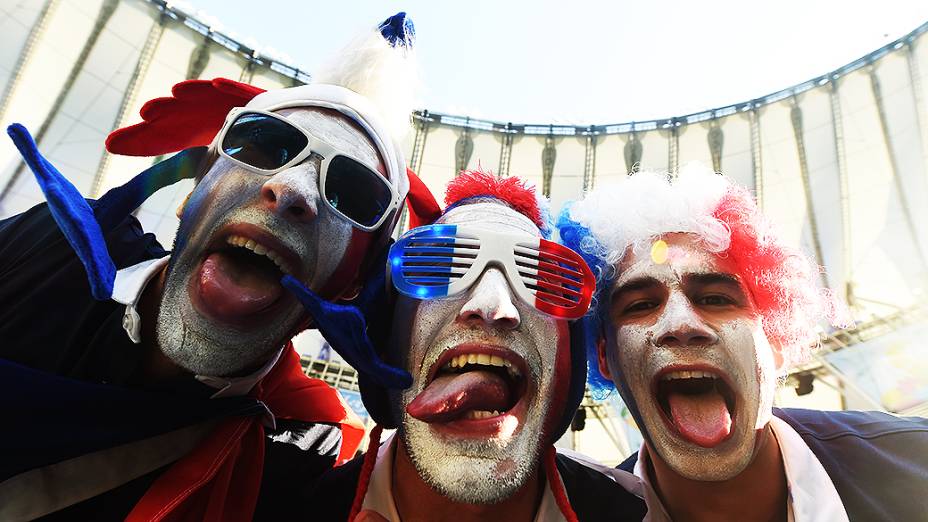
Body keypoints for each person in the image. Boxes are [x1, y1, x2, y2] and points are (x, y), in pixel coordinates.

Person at [0, 13, 428, 521]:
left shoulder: (308, 455)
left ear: (354, 284)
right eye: (264, 145)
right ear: (193, 189)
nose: (292, 190)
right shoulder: (46, 247)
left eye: (353, 193)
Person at [558, 165, 928, 521]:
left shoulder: (915, 462)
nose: (681, 324)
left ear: (774, 339)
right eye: (641, 305)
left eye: (715, 299)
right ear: (605, 357)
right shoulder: (582, 514)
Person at [311, 170, 648, 521]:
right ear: (388, 338)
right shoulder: (291, 507)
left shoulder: (636, 514)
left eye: (537, 276)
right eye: (441, 265)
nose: (492, 308)